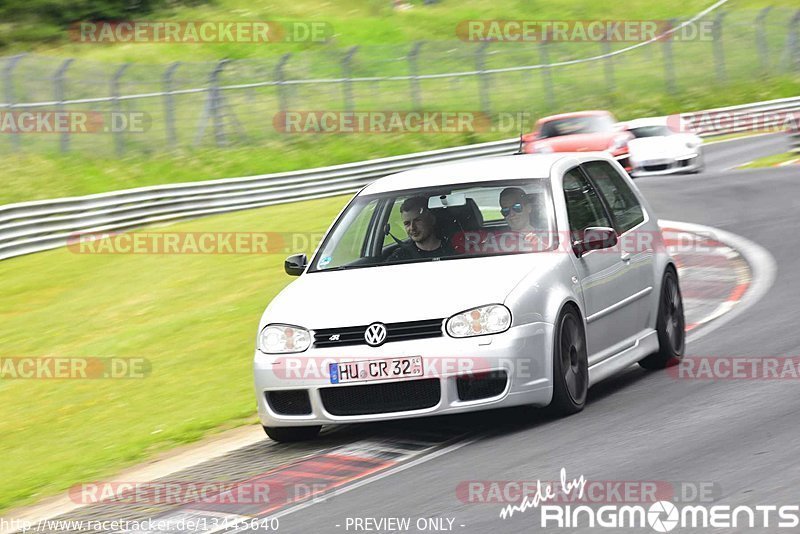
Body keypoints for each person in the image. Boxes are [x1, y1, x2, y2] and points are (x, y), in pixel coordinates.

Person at [385, 196, 454, 262]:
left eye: (417, 220)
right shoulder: (400, 257)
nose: (412, 227)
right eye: (407, 223)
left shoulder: (454, 247)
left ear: (432, 219)